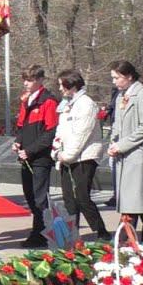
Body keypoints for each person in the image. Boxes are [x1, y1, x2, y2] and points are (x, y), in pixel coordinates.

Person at [107, 60, 143, 241]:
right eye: (113, 78)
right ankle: (131, 241)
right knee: (135, 202)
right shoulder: (120, 96)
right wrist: (112, 142)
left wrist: (122, 144)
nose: (114, 81)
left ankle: (131, 241)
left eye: (117, 77)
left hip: (139, 156)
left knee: (140, 203)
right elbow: (117, 123)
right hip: (124, 157)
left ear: (129, 76)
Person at [53, 69, 110, 241]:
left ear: (72, 85)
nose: (60, 89)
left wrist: (68, 155)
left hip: (84, 157)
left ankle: (101, 231)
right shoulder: (66, 104)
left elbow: (81, 134)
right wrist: (56, 150)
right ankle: (72, 232)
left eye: (62, 85)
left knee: (82, 196)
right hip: (66, 156)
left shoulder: (86, 104)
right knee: (69, 198)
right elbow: (61, 130)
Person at [14, 65, 58, 248]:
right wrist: (18, 142)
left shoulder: (48, 101)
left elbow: (50, 132)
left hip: (40, 157)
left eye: (30, 80)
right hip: (26, 156)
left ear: (40, 80)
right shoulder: (26, 101)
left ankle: (40, 233)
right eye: (25, 79)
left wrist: (30, 150)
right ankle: (41, 229)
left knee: (40, 197)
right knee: (30, 195)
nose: (26, 83)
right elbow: (22, 127)